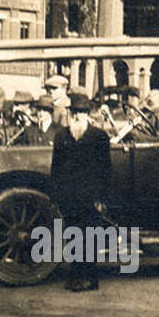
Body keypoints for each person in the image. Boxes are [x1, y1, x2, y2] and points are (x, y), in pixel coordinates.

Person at [50, 92, 111, 292]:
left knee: (90, 237)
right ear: (70, 113)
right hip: (69, 196)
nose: (77, 116)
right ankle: (76, 275)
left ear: (88, 114)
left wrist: (102, 198)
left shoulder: (99, 137)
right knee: (73, 234)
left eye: (82, 113)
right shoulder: (61, 136)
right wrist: (56, 195)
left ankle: (90, 279)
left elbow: (106, 170)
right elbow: (56, 168)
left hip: (90, 197)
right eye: (74, 112)